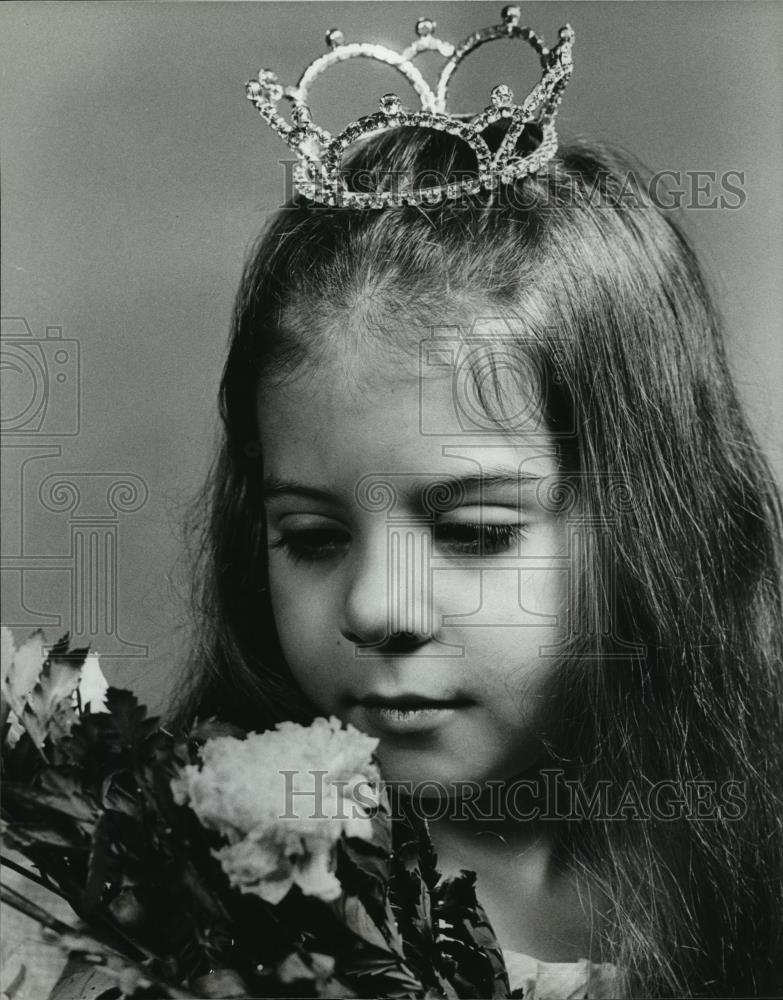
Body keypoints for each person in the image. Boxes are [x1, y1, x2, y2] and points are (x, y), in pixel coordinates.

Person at [161, 106, 783, 1000]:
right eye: (311, 539)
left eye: (474, 534)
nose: (377, 606)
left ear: (655, 525)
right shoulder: (185, 884)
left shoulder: (749, 860)